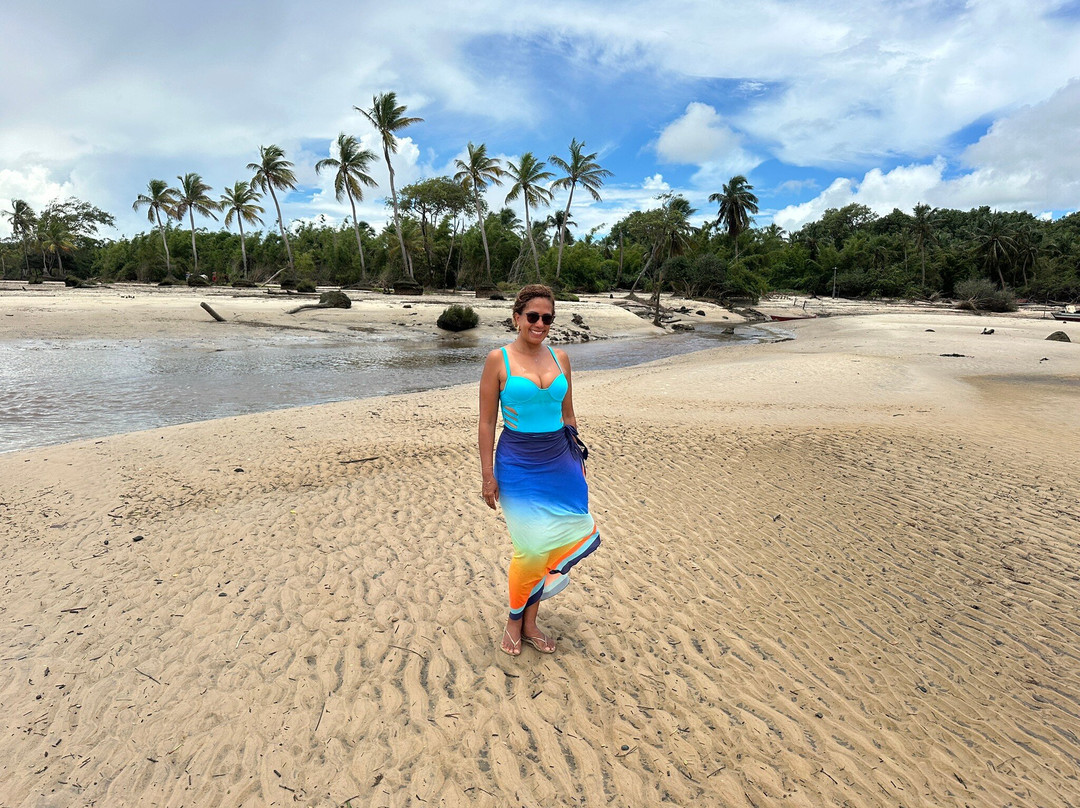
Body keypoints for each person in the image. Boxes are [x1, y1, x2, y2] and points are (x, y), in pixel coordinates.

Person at [478, 284, 600, 656]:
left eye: (547, 318)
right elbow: (486, 423)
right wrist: (487, 475)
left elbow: (568, 414)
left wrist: (577, 459)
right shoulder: (497, 361)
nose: (540, 323)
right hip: (518, 461)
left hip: (561, 459)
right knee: (529, 548)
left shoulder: (561, 357)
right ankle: (514, 622)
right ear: (517, 317)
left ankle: (531, 622)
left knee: (562, 538)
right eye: (533, 316)